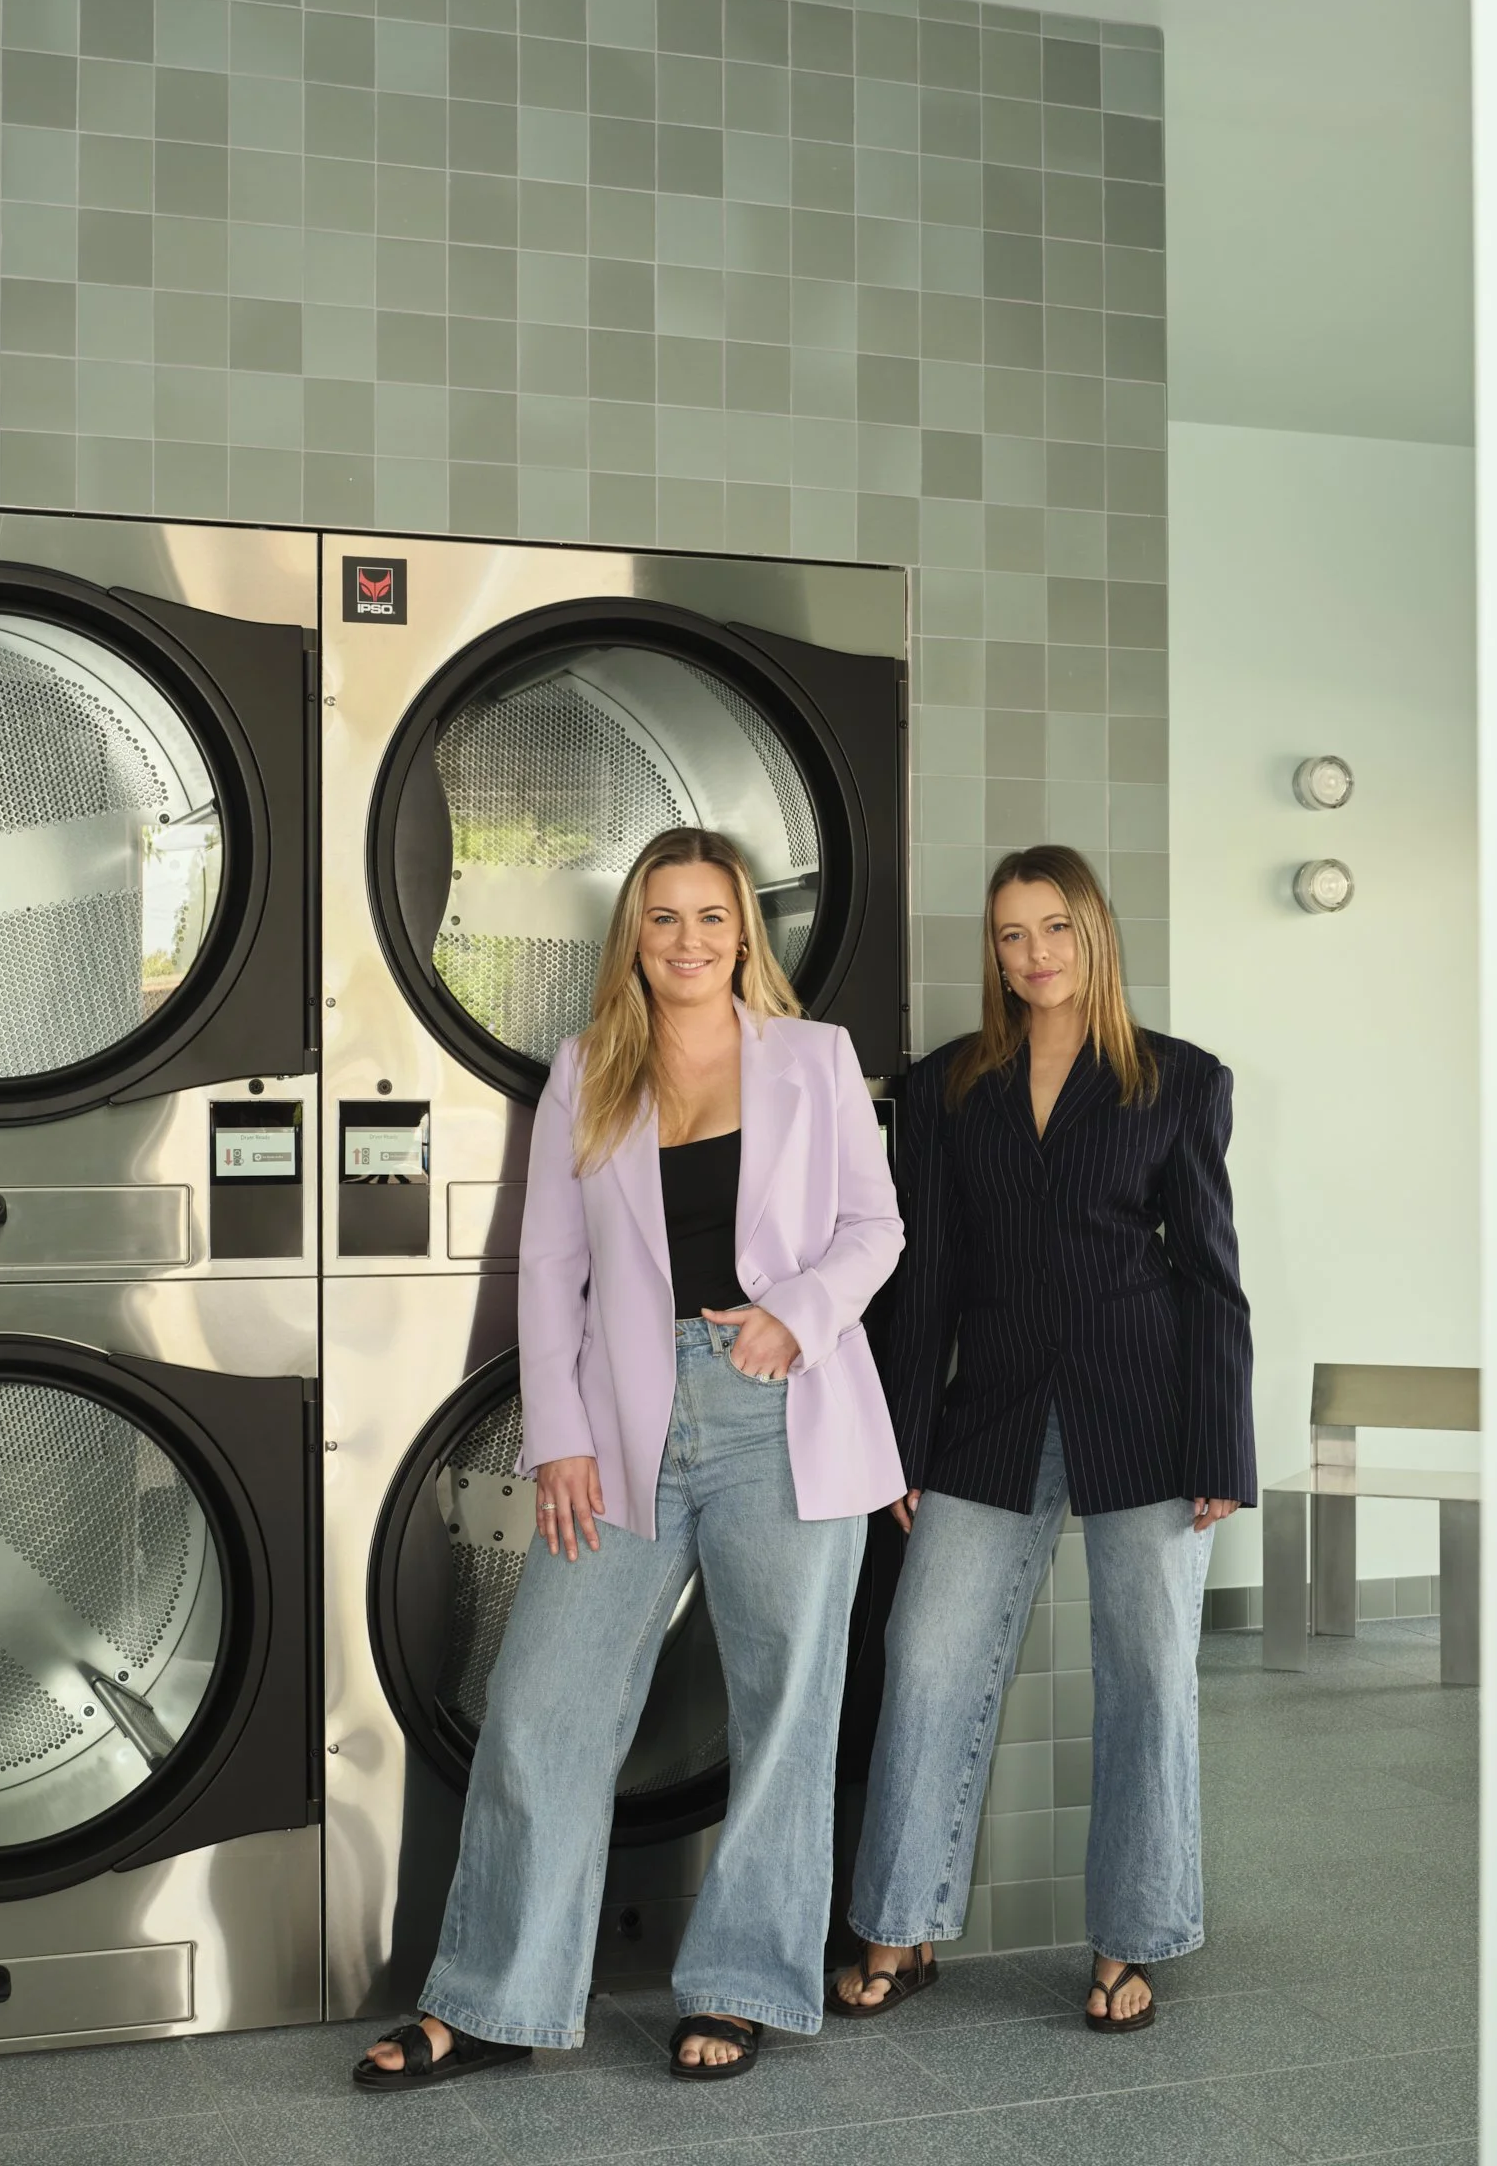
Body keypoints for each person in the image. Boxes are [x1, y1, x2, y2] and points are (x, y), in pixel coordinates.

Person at [355, 825, 905, 2091]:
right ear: (634, 937)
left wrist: (795, 1315)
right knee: (543, 1708)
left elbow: (876, 1230)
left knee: (785, 1716)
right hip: (622, 1426)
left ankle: (741, 1985)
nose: (689, 941)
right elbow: (549, 1269)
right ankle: (493, 2000)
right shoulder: (590, 1064)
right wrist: (558, 1438)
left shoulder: (815, 1059)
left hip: (782, 1410)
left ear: (744, 934)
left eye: (713, 917)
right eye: (664, 918)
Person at [831, 843, 1254, 2034]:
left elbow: (1213, 1278)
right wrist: (903, 1441)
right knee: (924, 1656)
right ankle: (900, 1926)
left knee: (1149, 1678)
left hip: (1152, 1414)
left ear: (1096, 934)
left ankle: (1136, 1938)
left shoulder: (1180, 1080)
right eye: (1012, 936)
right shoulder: (945, 1087)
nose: (1035, 956)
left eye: (1055, 929)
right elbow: (928, 1282)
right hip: (994, 1413)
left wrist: (1223, 1444)